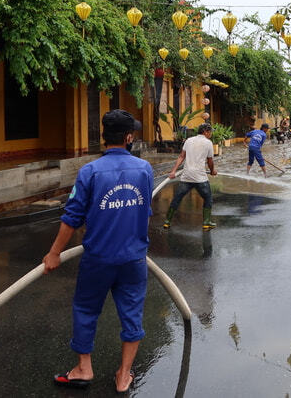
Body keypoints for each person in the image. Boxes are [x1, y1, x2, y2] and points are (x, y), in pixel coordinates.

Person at [43, 109, 153, 393]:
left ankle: (84, 368)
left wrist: (54, 253)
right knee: (132, 314)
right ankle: (123, 375)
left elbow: (72, 217)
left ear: (104, 137)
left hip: (99, 259)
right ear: (129, 137)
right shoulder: (144, 169)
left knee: (85, 309)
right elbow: (145, 211)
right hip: (134, 258)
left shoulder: (89, 172)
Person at [162, 123, 218, 231]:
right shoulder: (208, 143)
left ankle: (167, 222)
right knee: (208, 198)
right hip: (200, 177)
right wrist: (212, 171)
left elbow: (181, 156)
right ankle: (206, 223)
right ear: (205, 131)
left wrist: (173, 171)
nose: (211, 134)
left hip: (187, 176)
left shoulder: (189, 140)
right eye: (210, 131)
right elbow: (210, 161)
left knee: (177, 198)